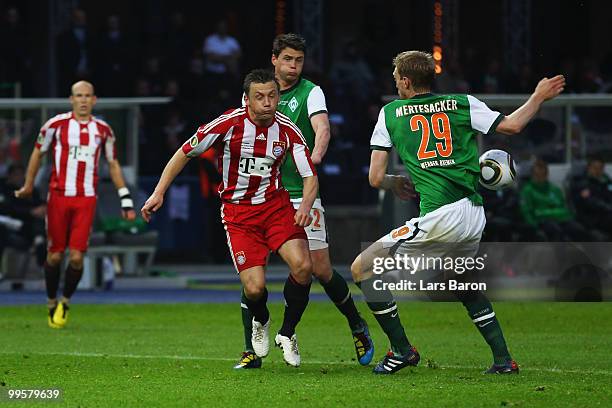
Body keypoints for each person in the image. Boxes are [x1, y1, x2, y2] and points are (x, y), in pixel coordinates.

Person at [350, 50, 565, 374]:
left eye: (396, 79)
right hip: (473, 213)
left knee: (362, 269)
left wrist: (396, 183)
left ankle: (402, 350)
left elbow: (375, 178)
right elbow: (513, 125)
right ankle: (503, 360)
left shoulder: (390, 114)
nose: (395, 84)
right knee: (463, 282)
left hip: (440, 216)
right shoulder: (462, 102)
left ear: (406, 81)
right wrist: (537, 96)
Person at [141, 69, 317, 367]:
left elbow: (310, 176)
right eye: (259, 97)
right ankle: (260, 321)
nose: (267, 103)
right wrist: (158, 192)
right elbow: (185, 152)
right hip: (239, 215)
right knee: (254, 288)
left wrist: (305, 206)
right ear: (246, 100)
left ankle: (287, 333)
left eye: (272, 96)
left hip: (276, 208)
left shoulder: (288, 130)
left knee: (303, 267)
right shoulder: (228, 124)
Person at [234, 34, 374, 370]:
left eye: (298, 60)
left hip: (300, 192)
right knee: (253, 272)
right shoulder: (256, 93)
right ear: (274, 59)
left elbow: (322, 129)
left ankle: (354, 324)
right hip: (260, 196)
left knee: (319, 269)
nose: (293, 66)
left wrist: (314, 159)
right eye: (287, 59)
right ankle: (251, 349)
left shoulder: (311, 92)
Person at [15, 80, 136, 329]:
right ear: (71, 99)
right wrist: (28, 185)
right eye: (78, 95)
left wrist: (125, 197)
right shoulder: (55, 125)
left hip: (86, 198)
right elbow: (38, 152)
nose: (83, 100)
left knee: (77, 257)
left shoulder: (103, 130)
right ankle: (50, 301)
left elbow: (113, 164)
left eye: (87, 95)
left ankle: (65, 302)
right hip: (58, 196)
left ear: (94, 99)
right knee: (55, 255)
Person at [520, 159, 591, 241]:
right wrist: (534, 227)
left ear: (547, 175)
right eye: (537, 175)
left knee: (580, 230)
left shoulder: (555, 189)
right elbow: (526, 211)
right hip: (542, 221)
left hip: (561, 218)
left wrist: (569, 216)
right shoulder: (527, 191)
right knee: (558, 233)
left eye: (543, 175)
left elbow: (564, 206)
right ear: (532, 175)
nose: (540, 178)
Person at [570, 156, 612, 239]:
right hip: (590, 217)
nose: (598, 171)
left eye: (600, 168)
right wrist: (608, 207)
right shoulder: (581, 183)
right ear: (589, 168)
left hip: (606, 213)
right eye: (595, 168)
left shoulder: (606, 181)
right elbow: (589, 201)